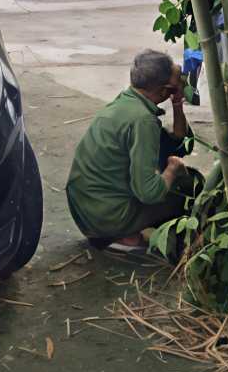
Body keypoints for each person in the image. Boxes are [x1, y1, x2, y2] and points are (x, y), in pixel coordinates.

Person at [65, 49, 199, 252]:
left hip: (88, 212)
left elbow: (181, 144)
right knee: (188, 187)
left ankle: (124, 231)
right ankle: (125, 234)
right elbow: (149, 193)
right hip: (107, 217)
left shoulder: (126, 103)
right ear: (163, 91)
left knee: (172, 173)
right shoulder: (143, 121)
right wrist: (172, 170)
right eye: (173, 89)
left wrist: (177, 103)